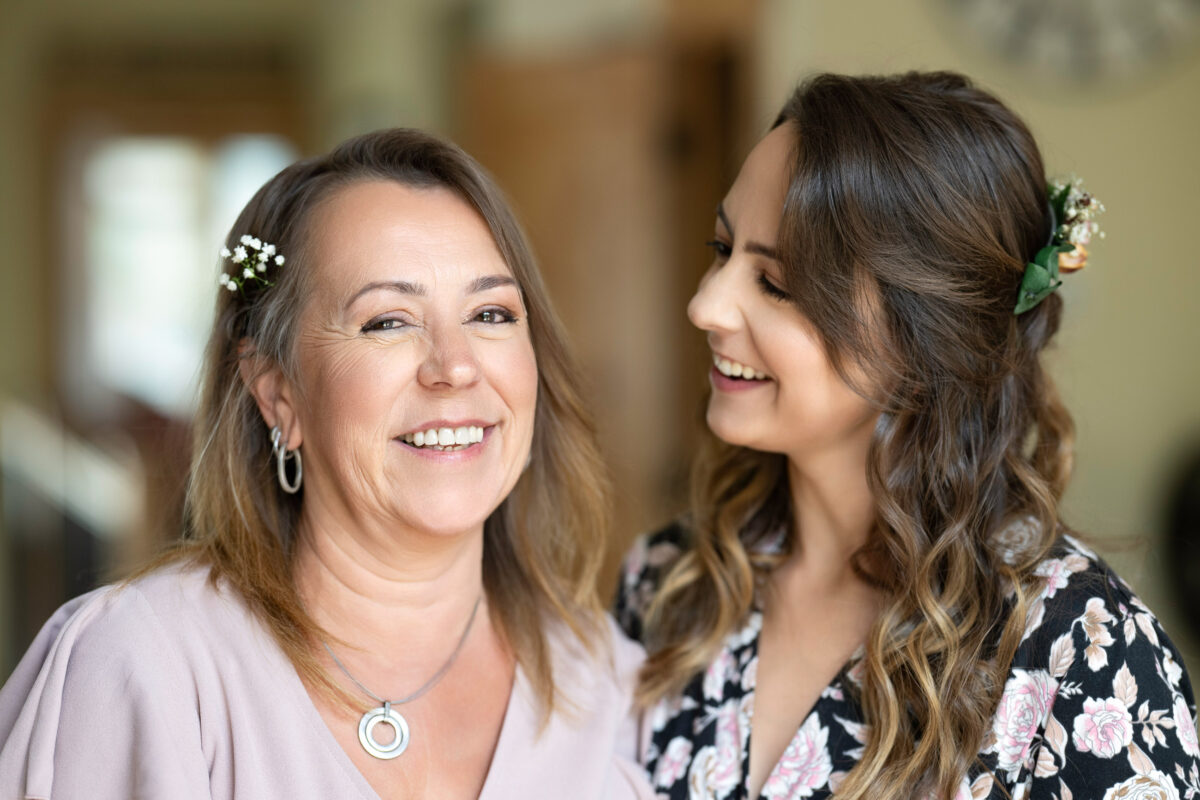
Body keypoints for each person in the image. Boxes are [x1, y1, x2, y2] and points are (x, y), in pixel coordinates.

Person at [0, 129, 654, 799]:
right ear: (278, 392)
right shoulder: (145, 666)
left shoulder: (610, 687)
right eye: (387, 322)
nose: (455, 367)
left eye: (490, 312)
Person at [616, 72, 1200, 800]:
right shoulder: (668, 586)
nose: (705, 305)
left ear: (922, 335)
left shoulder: (1082, 664)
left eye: (776, 282)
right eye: (720, 247)